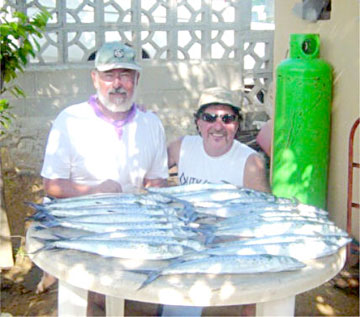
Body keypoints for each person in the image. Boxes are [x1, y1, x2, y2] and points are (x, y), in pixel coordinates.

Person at [36, 41, 168, 312]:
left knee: (146, 306)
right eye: (109, 75)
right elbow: (51, 185)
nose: (117, 83)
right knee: (94, 303)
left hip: (132, 233)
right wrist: (94, 192)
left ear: (137, 79)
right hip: (82, 230)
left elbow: (156, 183)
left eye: (125, 75)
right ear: (95, 79)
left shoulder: (150, 123)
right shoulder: (70, 120)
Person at [164, 86, 270, 316]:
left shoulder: (250, 162)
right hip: (187, 243)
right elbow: (150, 177)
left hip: (229, 245)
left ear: (237, 124)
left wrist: (222, 237)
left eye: (227, 118)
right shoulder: (181, 147)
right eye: (209, 117)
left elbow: (262, 219)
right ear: (198, 122)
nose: (218, 126)